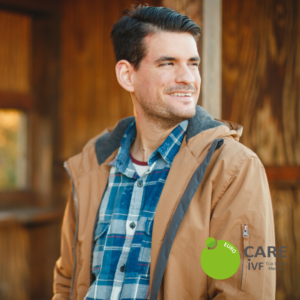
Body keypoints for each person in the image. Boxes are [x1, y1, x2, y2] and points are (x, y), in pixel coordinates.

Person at [52, 5, 276, 300]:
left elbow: (242, 293)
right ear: (126, 75)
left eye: (193, 64)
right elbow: (67, 281)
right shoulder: (91, 165)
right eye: (168, 63)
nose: (188, 78)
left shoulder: (233, 168)